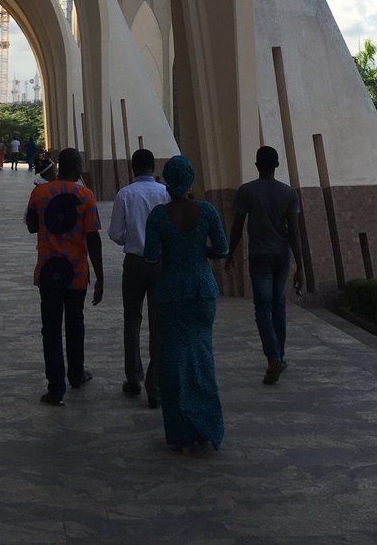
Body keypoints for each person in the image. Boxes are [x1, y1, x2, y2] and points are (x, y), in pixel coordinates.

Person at [143, 155, 227, 450]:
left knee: (173, 361)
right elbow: (222, 247)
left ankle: (181, 432)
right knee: (202, 357)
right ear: (190, 180)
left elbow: (151, 256)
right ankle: (207, 427)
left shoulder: (158, 216)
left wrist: (173, 251)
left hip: (171, 292)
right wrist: (198, 250)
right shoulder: (206, 211)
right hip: (203, 290)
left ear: (166, 181)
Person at [25, 147, 104, 406]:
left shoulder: (39, 192)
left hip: (49, 271)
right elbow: (93, 238)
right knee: (75, 324)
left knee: (50, 328)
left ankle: (56, 387)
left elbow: (32, 225)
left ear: (59, 166)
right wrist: (100, 276)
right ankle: (77, 373)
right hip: (76, 272)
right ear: (79, 169)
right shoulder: (86, 195)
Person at [226, 145, 303, 385]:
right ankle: (279, 354)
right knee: (278, 304)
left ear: (257, 165)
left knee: (262, 308)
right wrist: (300, 264)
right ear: (277, 165)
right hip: (282, 255)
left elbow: (238, 225)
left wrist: (231, 252)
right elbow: (294, 232)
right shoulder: (289, 193)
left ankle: (273, 357)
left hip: (259, 256)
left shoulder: (247, 191)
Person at [108, 148, 169, 408]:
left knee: (132, 320)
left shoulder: (125, 194)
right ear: (153, 167)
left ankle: (133, 378)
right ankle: (155, 388)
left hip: (134, 263)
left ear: (133, 168)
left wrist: (132, 240)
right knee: (159, 323)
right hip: (160, 263)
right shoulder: (164, 193)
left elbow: (115, 233)